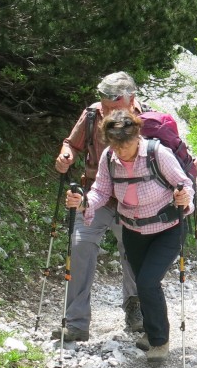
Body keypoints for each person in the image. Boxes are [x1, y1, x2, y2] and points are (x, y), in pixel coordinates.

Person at [66, 108, 194, 363]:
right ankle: (150, 330)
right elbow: (101, 192)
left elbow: (185, 184)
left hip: (167, 228)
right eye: (116, 145)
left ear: (137, 135)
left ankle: (159, 342)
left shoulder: (158, 154)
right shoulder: (109, 157)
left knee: (147, 282)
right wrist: (83, 203)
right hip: (134, 230)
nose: (122, 151)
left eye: (126, 144)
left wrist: (184, 196)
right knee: (142, 280)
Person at [52, 72, 144, 342]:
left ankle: (135, 310)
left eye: (112, 108)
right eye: (103, 105)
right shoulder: (92, 115)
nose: (105, 112)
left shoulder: (144, 120)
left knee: (133, 252)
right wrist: (66, 154)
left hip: (132, 199)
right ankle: (77, 322)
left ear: (130, 101)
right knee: (80, 244)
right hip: (95, 193)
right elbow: (72, 143)